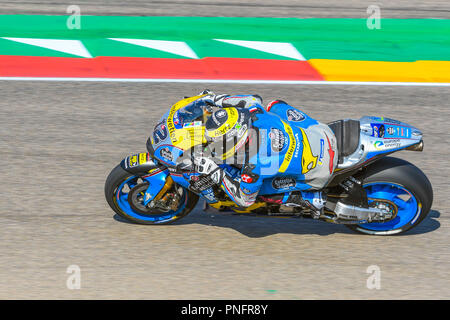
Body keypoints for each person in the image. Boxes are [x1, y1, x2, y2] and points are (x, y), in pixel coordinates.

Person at [184, 90, 338, 214]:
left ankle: (308, 198)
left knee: (257, 192)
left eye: (217, 142)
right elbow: (252, 99)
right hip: (320, 134)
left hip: (319, 171)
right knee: (274, 105)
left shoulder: (254, 164)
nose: (213, 144)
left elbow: (244, 200)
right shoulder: (256, 115)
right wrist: (213, 99)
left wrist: (213, 169)